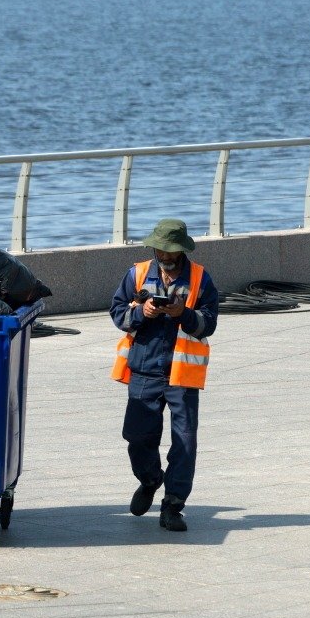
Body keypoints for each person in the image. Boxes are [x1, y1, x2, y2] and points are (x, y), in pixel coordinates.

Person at [109, 219, 218, 532]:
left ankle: (173, 505)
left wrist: (181, 314)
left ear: (181, 250)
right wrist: (141, 313)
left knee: (184, 441)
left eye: (170, 251)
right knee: (136, 436)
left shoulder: (200, 278)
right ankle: (150, 479)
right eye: (160, 250)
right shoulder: (137, 274)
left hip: (182, 373)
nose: (164, 256)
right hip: (145, 368)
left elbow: (208, 324)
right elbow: (118, 313)